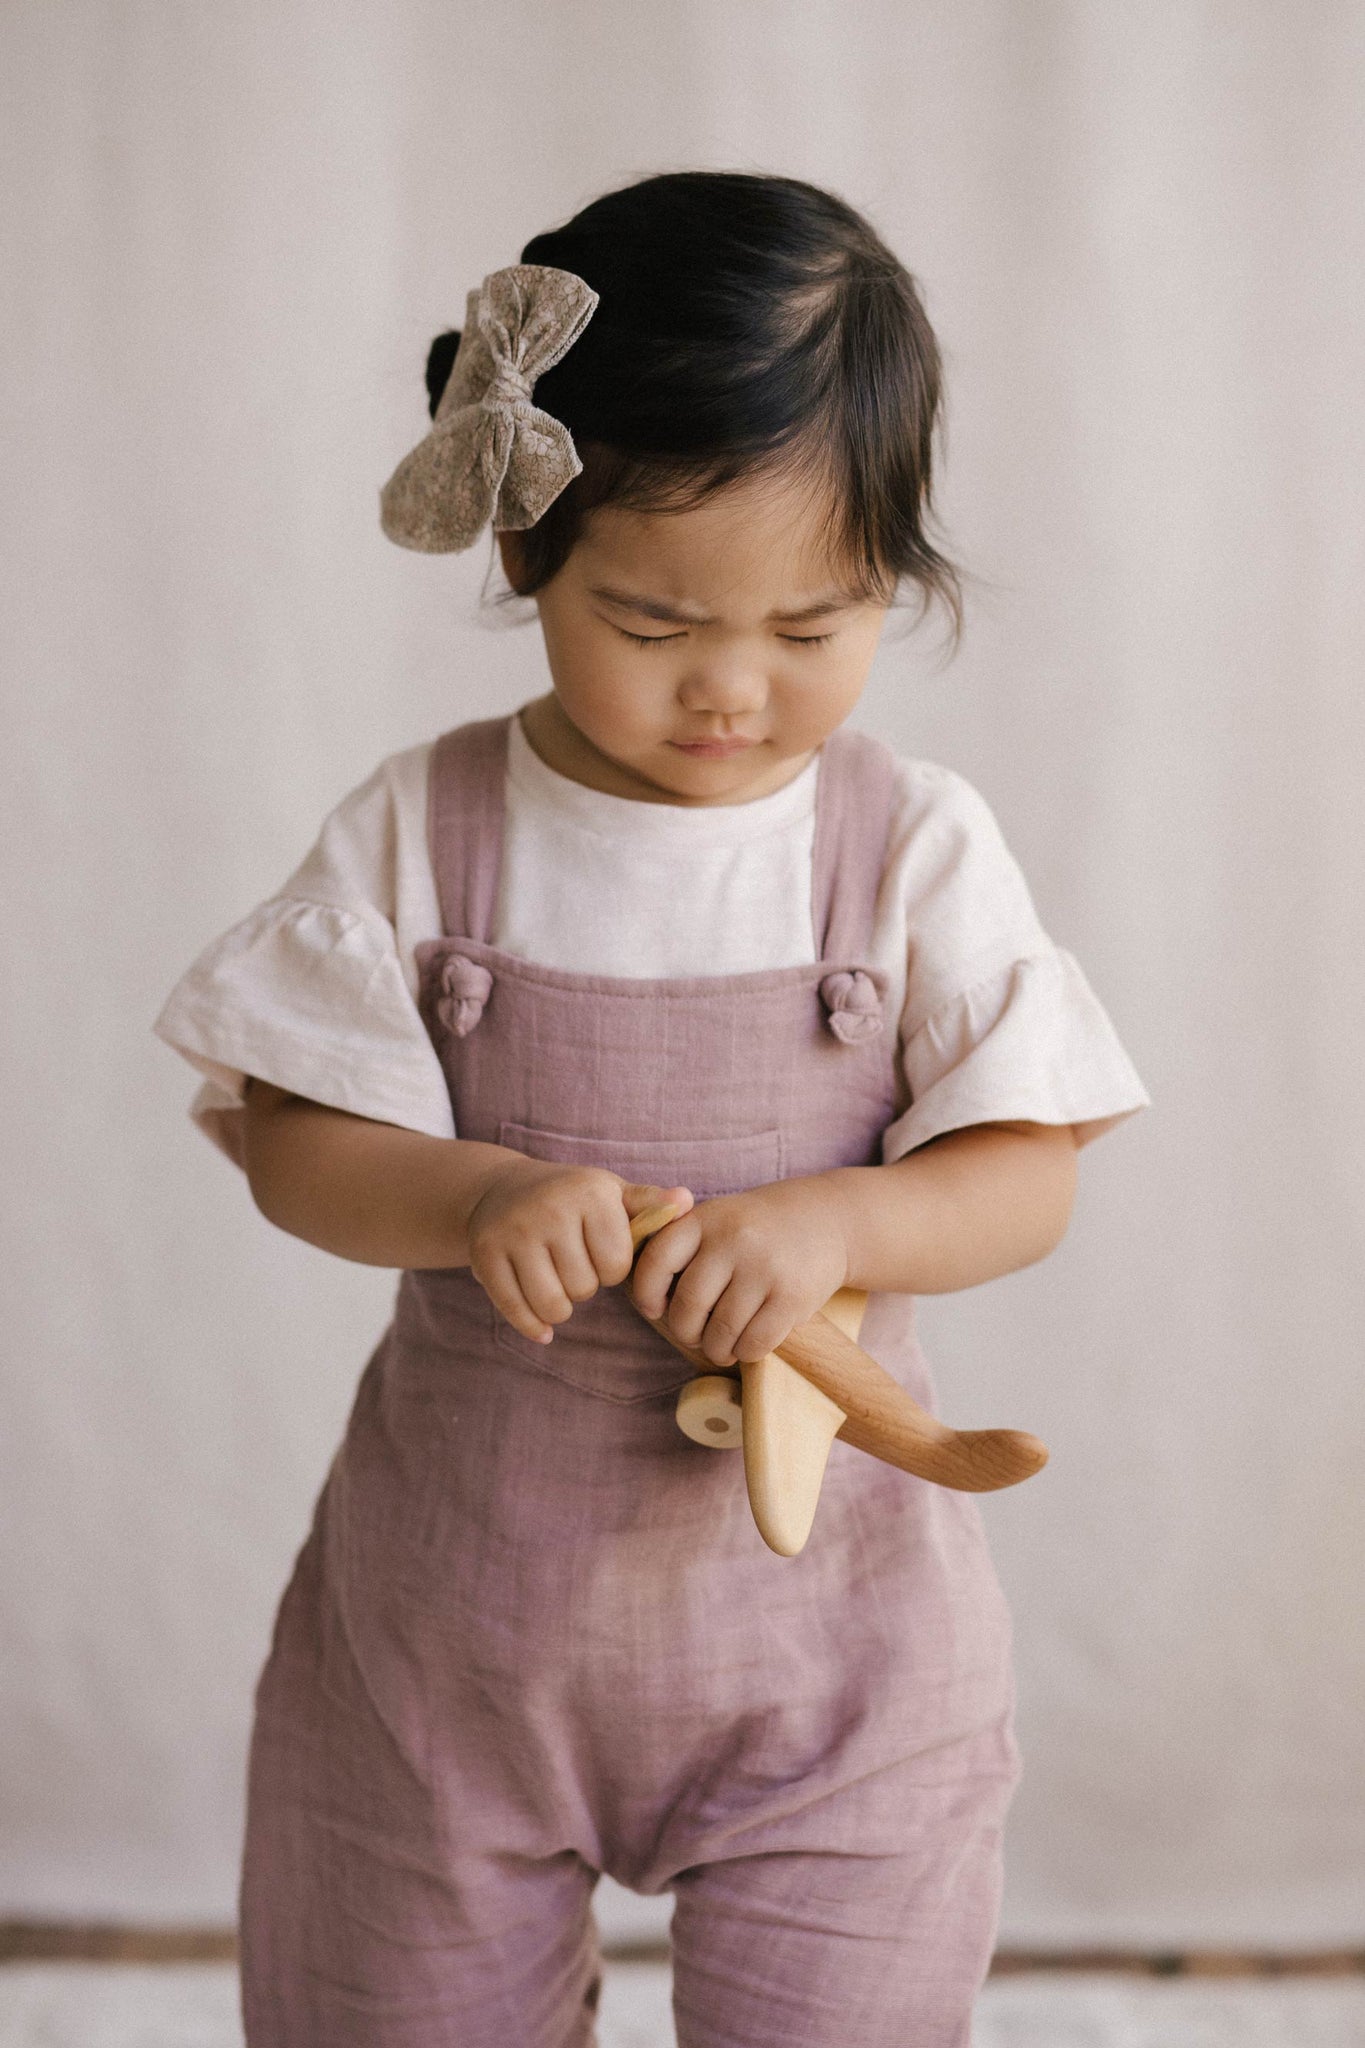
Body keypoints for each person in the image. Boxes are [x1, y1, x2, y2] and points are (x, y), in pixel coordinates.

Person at [154, 170, 1149, 2048]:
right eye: (653, 618)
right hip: (452, 1654)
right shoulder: (424, 829)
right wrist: (470, 1197)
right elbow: (294, 1143)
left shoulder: (907, 847)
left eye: (814, 625)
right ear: (525, 545)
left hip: (835, 1664)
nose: (732, 689)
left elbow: (1027, 1169)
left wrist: (842, 1224)